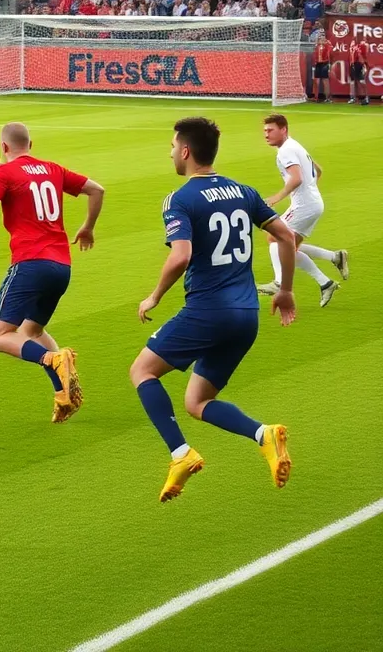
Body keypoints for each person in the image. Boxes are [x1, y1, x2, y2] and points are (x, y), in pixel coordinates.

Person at [131, 117, 295, 503]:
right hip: (246, 315)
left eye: (173, 145)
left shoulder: (180, 199)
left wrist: (154, 296)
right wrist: (285, 289)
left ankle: (180, 454)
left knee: (141, 371)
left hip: (208, 312)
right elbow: (285, 235)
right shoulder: (242, 191)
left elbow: (181, 255)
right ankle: (263, 434)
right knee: (197, 402)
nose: (171, 151)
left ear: (186, 151)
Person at [0, 122, 105, 423]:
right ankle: (64, 395)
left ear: (4, 148)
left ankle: (52, 358)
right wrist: (87, 228)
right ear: (31, 144)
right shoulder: (53, 169)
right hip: (61, 267)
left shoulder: (4, 172)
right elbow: (97, 190)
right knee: (32, 331)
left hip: (30, 264)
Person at [255, 114, 347, 306]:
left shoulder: (285, 151)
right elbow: (318, 170)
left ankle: (279, 283)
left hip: (305, 205)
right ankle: (330, 270)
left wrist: (275, 198)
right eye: (265, 131)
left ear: (283, 129)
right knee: (290, 247)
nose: (266, 135)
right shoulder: (295, 145)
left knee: (275, 238)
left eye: (270, 130)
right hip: (312, 203)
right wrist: (310, 192)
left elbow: (297, 178)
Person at [347, 34, 369, 105]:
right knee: (353, 81)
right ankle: (353, 97)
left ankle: (365, 97)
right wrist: (351, 63)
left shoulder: (363, 45)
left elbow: (364, 56)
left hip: (360, 64)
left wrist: (365, 65)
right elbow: (351, 55)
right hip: (353, 64)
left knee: (361, 81)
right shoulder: (353, 45)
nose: (356, 38)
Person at [311, 32, 331, 103]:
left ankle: (327, 98)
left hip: (324, 64)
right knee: (316, 81)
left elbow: (329, 54)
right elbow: (314, 56)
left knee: (325, 81)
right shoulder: (317, 47)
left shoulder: (327, 46)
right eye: (320, 38)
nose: (321, 40)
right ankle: (316, 97)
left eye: (322, 38)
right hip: (318, 64)